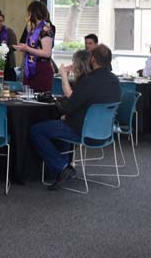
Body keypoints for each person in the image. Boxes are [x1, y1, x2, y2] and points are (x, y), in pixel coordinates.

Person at [30, 44, 122, 189]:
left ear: (92, 59)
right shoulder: (115, 81)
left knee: (37, 130)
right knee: (63, 125)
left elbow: (68, 108)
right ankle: (65, 166)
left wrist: (64, 79)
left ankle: (62, 167)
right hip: (105, 133)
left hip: (84, 132)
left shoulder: (88, 81)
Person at [14, 1, 55, 92]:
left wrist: (27, 48)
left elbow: (47, 53)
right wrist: (23, 47)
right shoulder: (32, 28)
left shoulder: (45, 29)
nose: (27, 15)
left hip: (41, 68)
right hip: (30, 66)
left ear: (34, 13)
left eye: (29, 13)